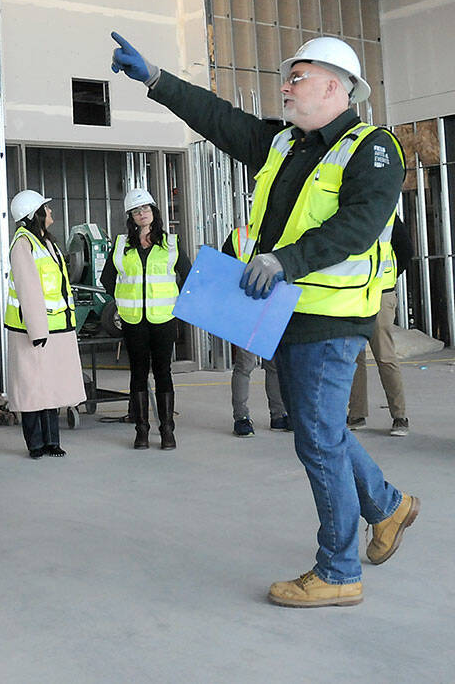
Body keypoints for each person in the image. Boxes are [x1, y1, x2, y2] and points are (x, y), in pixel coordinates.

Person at [112, 31, 418, 608]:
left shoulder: (373, 148)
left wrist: (286, 260)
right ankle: (388, 505)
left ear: (336, 86)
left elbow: (358, 225)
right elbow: (219, 119)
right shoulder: (286, 145)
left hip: (331, 316)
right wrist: (156, 79)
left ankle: (339, 570)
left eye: (297, 77)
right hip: (285, 314)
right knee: (318, 428)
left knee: (318, 439)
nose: (286, 85)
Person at [100, 187, 190, 449]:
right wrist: (122, 296)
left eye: (146, 209)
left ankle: (167, 432)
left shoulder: (171, 243)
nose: (142, 214)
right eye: (137, 211)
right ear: (131, 216)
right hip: (133, 319)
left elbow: (188, 275)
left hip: (163, 319)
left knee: (163, 372)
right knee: (138, 373)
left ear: (154, 212)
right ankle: (141, 431)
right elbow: (107, 279)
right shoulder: (121, 245)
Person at [4, 189, 85, 458]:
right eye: (45, 209)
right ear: (34, 214)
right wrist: (38, 330)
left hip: (55, 328)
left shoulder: (45, 242)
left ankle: (52, 441)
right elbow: (28, 290)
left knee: (50, 387)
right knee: (32, 389)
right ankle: (36, 444)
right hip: (34, 330)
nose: (50, 212)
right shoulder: (23, 244)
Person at [348, 224, 414, 436]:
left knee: (384, 355)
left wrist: (390, 276)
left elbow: (405, 251)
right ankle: (356, 414)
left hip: (380, 293)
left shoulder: (388, 216)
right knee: (353, 358)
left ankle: (400, 416)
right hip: (353, 294)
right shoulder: (349, 212)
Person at [222, 223, 288, 434]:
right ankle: (241, 417)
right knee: (245, 364)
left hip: (273, 306)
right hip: (246, 308)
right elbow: (225, 271)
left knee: (274, 364)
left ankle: (279, 415)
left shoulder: (284, 231)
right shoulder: (238, 237)